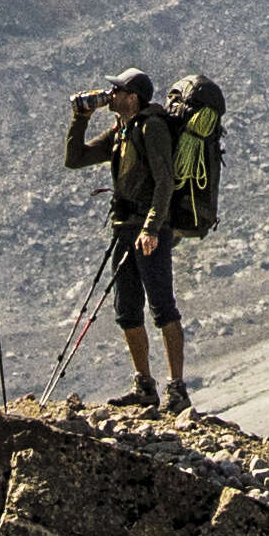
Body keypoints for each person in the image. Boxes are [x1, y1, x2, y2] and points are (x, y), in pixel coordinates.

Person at [65, 67, 220, 415]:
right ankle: (144, 385)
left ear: (133, 97)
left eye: (116, 91)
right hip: (124, 228)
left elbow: (164, 181)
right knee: (127, 311)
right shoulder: (122, 130)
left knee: (162, 307)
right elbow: (74, 160)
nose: (111, 96)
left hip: (149, 231)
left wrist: (151, 227)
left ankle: (177, 389)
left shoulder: (151, 127)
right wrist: (80, 119)